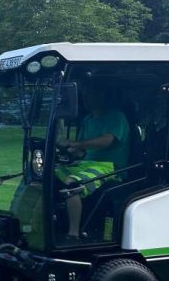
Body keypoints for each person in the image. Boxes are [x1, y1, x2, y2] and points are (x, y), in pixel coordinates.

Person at [55, 83, 129, 240]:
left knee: (71, 184)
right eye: (84, 94)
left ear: (102, 96)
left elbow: (106, 141)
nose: (85, 98)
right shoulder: (88, 120)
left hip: (110, 167)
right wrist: (64, 149)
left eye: (90, 94)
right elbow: (81, 150)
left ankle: (73, 234)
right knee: (48, 176)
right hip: (85, 164)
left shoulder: (116, 117)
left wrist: (75, 144)